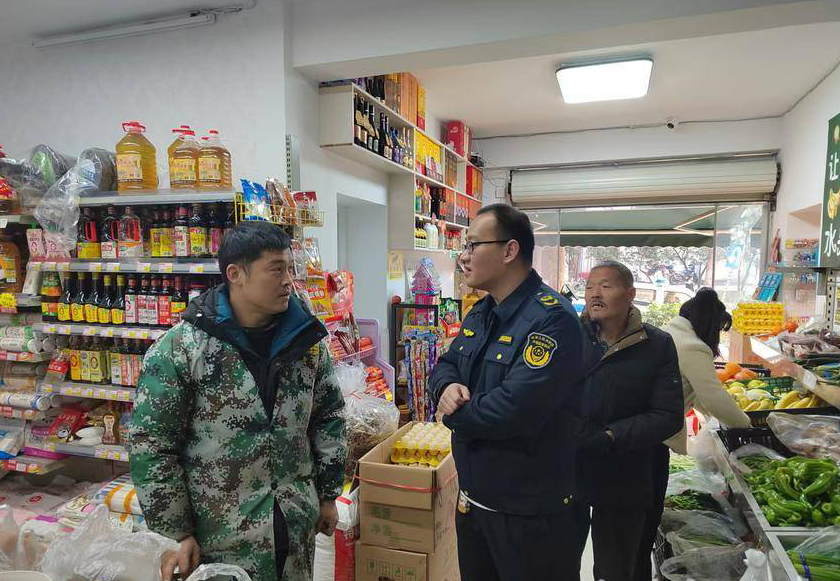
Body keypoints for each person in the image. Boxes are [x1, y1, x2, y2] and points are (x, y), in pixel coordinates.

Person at [130, 221, 347, 581]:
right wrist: (175, 531)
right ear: (236, 275)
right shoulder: (183, 349)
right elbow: (152, 443)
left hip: (294, 528)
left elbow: (329, 416)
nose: (288, 281)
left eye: (289, 268)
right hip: (221, 540)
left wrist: (327, 494)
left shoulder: (305, 344)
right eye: (276, 269)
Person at [428, 204, 587, 581]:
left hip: (530, 516)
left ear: (509, 251)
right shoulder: (481, 312)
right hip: (474, 502)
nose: (464, 256)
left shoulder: (552, 319)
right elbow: (446, 364)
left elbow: (514, 409)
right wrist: (446, 387)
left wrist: (452, 413)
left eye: (472, 245)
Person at [574, 260, 684, 581]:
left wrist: (611, 436)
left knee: (618, 568)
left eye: (606, 286)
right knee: (557, 563)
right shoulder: (569, 338)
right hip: (570, 467)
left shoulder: (656, 344)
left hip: (627, 471)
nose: (595, 294)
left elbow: (668, 415)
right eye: (589, 287)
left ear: (631, 294)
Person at [632, 288, 750, 581]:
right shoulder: (693, 347)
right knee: (645, 522)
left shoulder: (671, 332)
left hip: (640, 437)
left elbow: (690, 389)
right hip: (653, 441)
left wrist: (712, 417)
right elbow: (712, 395)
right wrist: (747, 425)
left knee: (637, 527)